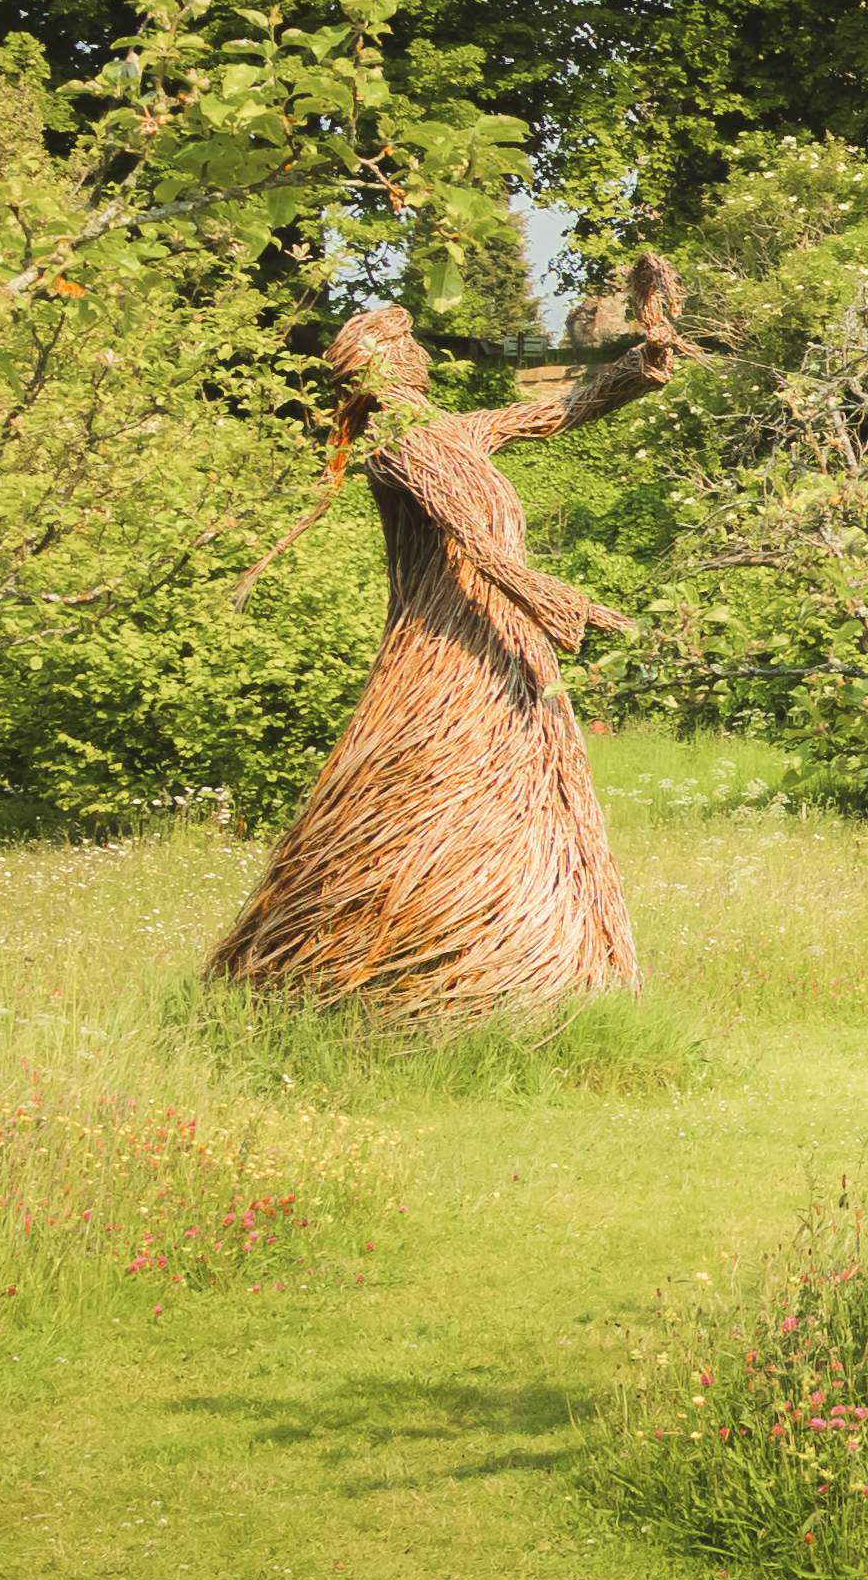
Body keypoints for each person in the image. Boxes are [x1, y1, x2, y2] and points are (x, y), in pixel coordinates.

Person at [204, 255, 692, 1028]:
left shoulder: (450, 433)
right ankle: (390, 965)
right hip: (451, 653)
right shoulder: (407, 448)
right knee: (441, 789)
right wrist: (561, 601)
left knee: (523, 790)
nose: (425, 353)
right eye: (409, 346)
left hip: (497, 644)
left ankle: (530, 966)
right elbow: (473, 540)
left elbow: (562, 408)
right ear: (384, 366)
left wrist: (644, 356)